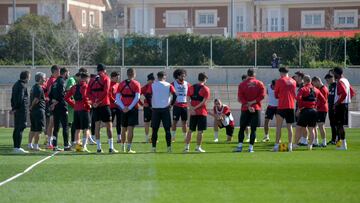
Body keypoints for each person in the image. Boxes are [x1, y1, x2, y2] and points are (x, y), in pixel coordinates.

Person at [87, 64, 118, 153]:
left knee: (97, 126)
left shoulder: (92, 79)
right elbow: (106, 92)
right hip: (104, 105)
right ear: (104, 70)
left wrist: (94, 102)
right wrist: (99, 101)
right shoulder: (106, 78)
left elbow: (88, 93)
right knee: (109, 126)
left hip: (96, 106)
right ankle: (111, 148)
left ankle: (98, 148)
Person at [234, 68, 265, 153]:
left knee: (242, 128)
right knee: (253, 129)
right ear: (254, 74)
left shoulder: (242, 84)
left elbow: (240, 97)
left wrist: (248, 105)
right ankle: (251, 148)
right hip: (256, 108)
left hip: (245, 108)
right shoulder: (260, 83)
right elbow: (262, 96)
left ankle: (240, 146)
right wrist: (253, 103)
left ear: (247, 74)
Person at [294, 75, 326, 150]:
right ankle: (310, 145)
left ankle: (295, 144)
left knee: (298, 127)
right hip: (314, 111)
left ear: (304, 81)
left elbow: (298, 98)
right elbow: (324, 100)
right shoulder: (316, 90)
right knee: (311, 129)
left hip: (305, 110)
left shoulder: (303, 89)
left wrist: (300, 107)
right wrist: (316, 106)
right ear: (310, 81)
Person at [146, 71, 176, 152]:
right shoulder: (169, 85)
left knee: (155, 130)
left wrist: (150, 105)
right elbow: (175, 95)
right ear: (164, 76)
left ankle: (153, 148)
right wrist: (171, 105)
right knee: (167, 130)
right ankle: (169, 148)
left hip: (155, 109)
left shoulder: (152, 85)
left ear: (157, 77)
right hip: (165, 109)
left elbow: (147, 95)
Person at [115, 68, 141, 153]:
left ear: (127, 74)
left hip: (123, 109)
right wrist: (129, 108)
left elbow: (117, 98)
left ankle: (122, 147)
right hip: (132, 109)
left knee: (123, 128)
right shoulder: (136, 84)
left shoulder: (121, 84)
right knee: (130, 128)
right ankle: (128, 148)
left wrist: (123, 107)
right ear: (134, 74)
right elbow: (137, 97)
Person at [184, 72, 210, 153]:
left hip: (193, 112)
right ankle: (198, 148)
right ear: (205, 79)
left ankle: (186, 148)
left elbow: (187, 98)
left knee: (190, 130)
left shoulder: (191, 87)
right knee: (200, 131)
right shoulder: (206, 89)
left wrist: (191, 108)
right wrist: (195, 108)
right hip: (202, 112)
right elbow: (204, 102)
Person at [65, 72, 92, 152]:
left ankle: (78, 146)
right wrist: (89, 105)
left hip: (76, 110)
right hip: (84, 110)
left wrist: (74, 105)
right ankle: (84, 146)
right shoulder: (86, 86)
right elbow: (84, 97)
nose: (88, 80)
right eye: (88, 79)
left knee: (77, 129)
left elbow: (66, 97)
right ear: (85, 78)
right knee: (86, 129)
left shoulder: (74, 87)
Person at [273, 67, 297, 152]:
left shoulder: (279, 81)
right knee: (289, 127)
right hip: (291, 106)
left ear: (281, 72)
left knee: (278, 127)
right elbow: (294, 94)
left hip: (282, 106)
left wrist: (281, 95)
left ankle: (276, 146)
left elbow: (276, 94)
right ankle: (290, 146)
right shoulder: (294, 81)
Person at [333, 67, 356, 150]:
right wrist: (347, 100)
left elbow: (344, 93)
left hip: (341, 105)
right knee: (339, 125)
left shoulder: (340, 81)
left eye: (334, 73)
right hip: (344, 104)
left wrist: (337, 103)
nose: (333, 75)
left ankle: (343, 144)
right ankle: (340, 144)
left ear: (336, 73)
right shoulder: (346, 80)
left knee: (339, 125)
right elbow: (352, 92)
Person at [50, 67, 71, 151]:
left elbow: (51, 95)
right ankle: (66, 145)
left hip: (56, 108)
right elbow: (61, 95)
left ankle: (55, 146)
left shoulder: (54, 82)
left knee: (56, 128)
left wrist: (53, 103)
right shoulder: (61, 81)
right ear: (65, 73)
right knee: (65, 126)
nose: (68, 75)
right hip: (62, 107)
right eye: (68, 73)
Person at [11, 71, 30, 153]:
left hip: (17, 109)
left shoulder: (16, 84)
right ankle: (17, 147)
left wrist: (13, 108)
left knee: (17, 128)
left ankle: (16, 147)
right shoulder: (22, 86)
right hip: (21, 110)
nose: (29, 78)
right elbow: (20, 98)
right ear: (26, 77)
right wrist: (17, 107)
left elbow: (12, 98)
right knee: (20, 127)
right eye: (29, 77)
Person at [171, 69, 191, 142]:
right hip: (176, 105)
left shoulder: (187, 84)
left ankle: (185, 138)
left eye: (184, 76)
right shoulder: (173, 84)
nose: (183, 77)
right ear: (178, 76)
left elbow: (190, 94)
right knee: (174, 122)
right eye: (182, 75)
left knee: (184, 122)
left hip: (185, 105)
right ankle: (173, 137)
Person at [28, 72, 46, 151]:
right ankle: (36, 145)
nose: (45, 80)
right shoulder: (39, 88)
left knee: (33, 128)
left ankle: (30, 145)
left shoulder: (33, 87)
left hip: (34, 111)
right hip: (38, 110)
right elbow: (36, 99)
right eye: (44, 78)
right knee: (39, 129)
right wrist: (31, 107)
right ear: (40, 79)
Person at [43, 65, 60, 149]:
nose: (59, 73)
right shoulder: (52, 80)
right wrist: (52, 102)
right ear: (55, 72)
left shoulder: (52, 80)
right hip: (51, 104)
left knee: (51, 123)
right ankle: (49, 142)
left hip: (51, 103)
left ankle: (49, 141)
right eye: (58, 71)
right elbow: (50, 92)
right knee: (51, 123)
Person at [311, 76, 329, 147]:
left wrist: (315, 106)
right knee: (314, 125)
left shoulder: (323, 89)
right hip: (319, 109)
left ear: (317, 81)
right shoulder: (321, 88)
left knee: (321, 126)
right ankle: (316, 141)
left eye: (314, 83)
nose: (314, 86)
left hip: (322, 109)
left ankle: (324, 142)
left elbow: (323, 101)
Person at [294, 71, 308, 146]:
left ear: (300, 77)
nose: (295, 78)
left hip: (302, 107)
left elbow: (302, 99)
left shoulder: (303, 86)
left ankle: (304, 140)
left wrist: (299, 109)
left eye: (296, 76)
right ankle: (303, 140)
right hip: (300, 107)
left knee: (303, 125)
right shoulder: (300, 85)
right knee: (302, 125)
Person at [141, 73, 155, 143]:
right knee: (147, 123)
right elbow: (137, 96)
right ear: (148, 80)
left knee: (154, 123)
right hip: (147, 107)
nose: (152, 81)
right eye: (151, 80)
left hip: (154, 107)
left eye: (153, 80)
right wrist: (142, 104)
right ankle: (147, 138)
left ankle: (153, 138)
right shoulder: (144, 87)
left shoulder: (155, 87)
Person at [324, 73, 338, 145]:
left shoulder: (337, 85)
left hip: (335, 108)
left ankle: (338, 139)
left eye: (327, 79)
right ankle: (333, 139)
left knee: (336, 124)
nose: (327, 81)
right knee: (332, 124)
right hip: (330, 107)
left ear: (331, 78)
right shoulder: (330, 86)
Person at [109, 71, 122, 143]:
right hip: (112, 106)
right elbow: (109, 95)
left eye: (118, 77)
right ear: (112, 77)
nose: (118, 78)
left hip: (119, 107)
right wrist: (115, 102)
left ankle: (119, 138)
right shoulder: (109, 85)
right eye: (116, 77)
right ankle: (110, 138)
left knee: (119, 122)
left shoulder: (119, 85)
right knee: (110, 122)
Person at [241, 74, 251, 142]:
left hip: (251, 107)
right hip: (244, 107)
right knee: (245, 125)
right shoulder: (241, 86)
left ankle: (251, 137)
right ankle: (248, 137)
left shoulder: (250, 86)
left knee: (251, 124)